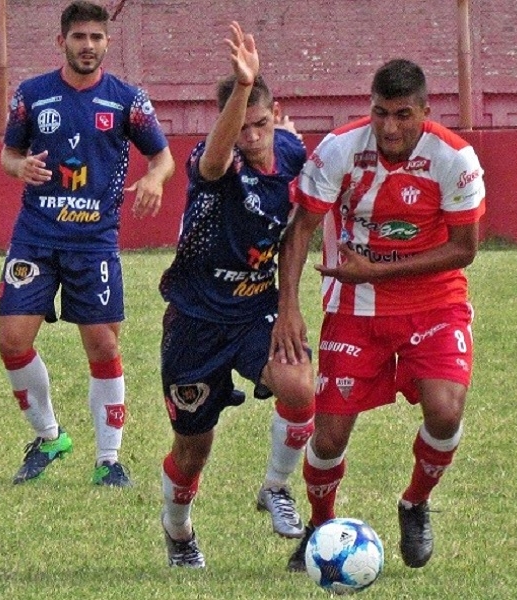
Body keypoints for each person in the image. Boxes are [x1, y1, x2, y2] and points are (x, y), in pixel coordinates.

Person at [272, 58, 486, 571]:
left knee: (446, 411)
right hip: (354, 305)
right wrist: (288, 307)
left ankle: (415, 503)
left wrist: (377, 271)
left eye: (402, 115)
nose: (389, 128)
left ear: (425, 111)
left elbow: (464, 249)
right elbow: (300, 230)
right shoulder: (340, 149)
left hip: (433, 303)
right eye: (380, 113)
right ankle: (321, 527)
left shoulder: (455, 158)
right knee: (329, 437)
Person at [157, 22, 315, 568]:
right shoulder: (216, 160)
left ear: (276, 117)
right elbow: (216, 160)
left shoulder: (292, 152)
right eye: (242, 125)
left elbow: (303, 222)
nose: (252, 136)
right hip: (195, 321)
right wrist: (243, 88)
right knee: (192, 451)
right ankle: (178, 531)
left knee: (299, 386)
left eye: (261, 124)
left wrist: (290, 302)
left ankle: (275, 486)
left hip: (254, 311)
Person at [0, 1, 174, 487]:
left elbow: (162, 158)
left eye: (96, 37)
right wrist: (20, 167)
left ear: (107, 43)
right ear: (62, 42)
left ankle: (108, 460)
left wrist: (154, 179)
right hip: (35, 238)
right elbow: (8, 155)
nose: (88, 46)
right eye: (79, 37)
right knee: (12, 340)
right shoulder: (33, 95)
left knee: (102, 344)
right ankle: (49, 437)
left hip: (94, 242)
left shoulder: (127, 100)